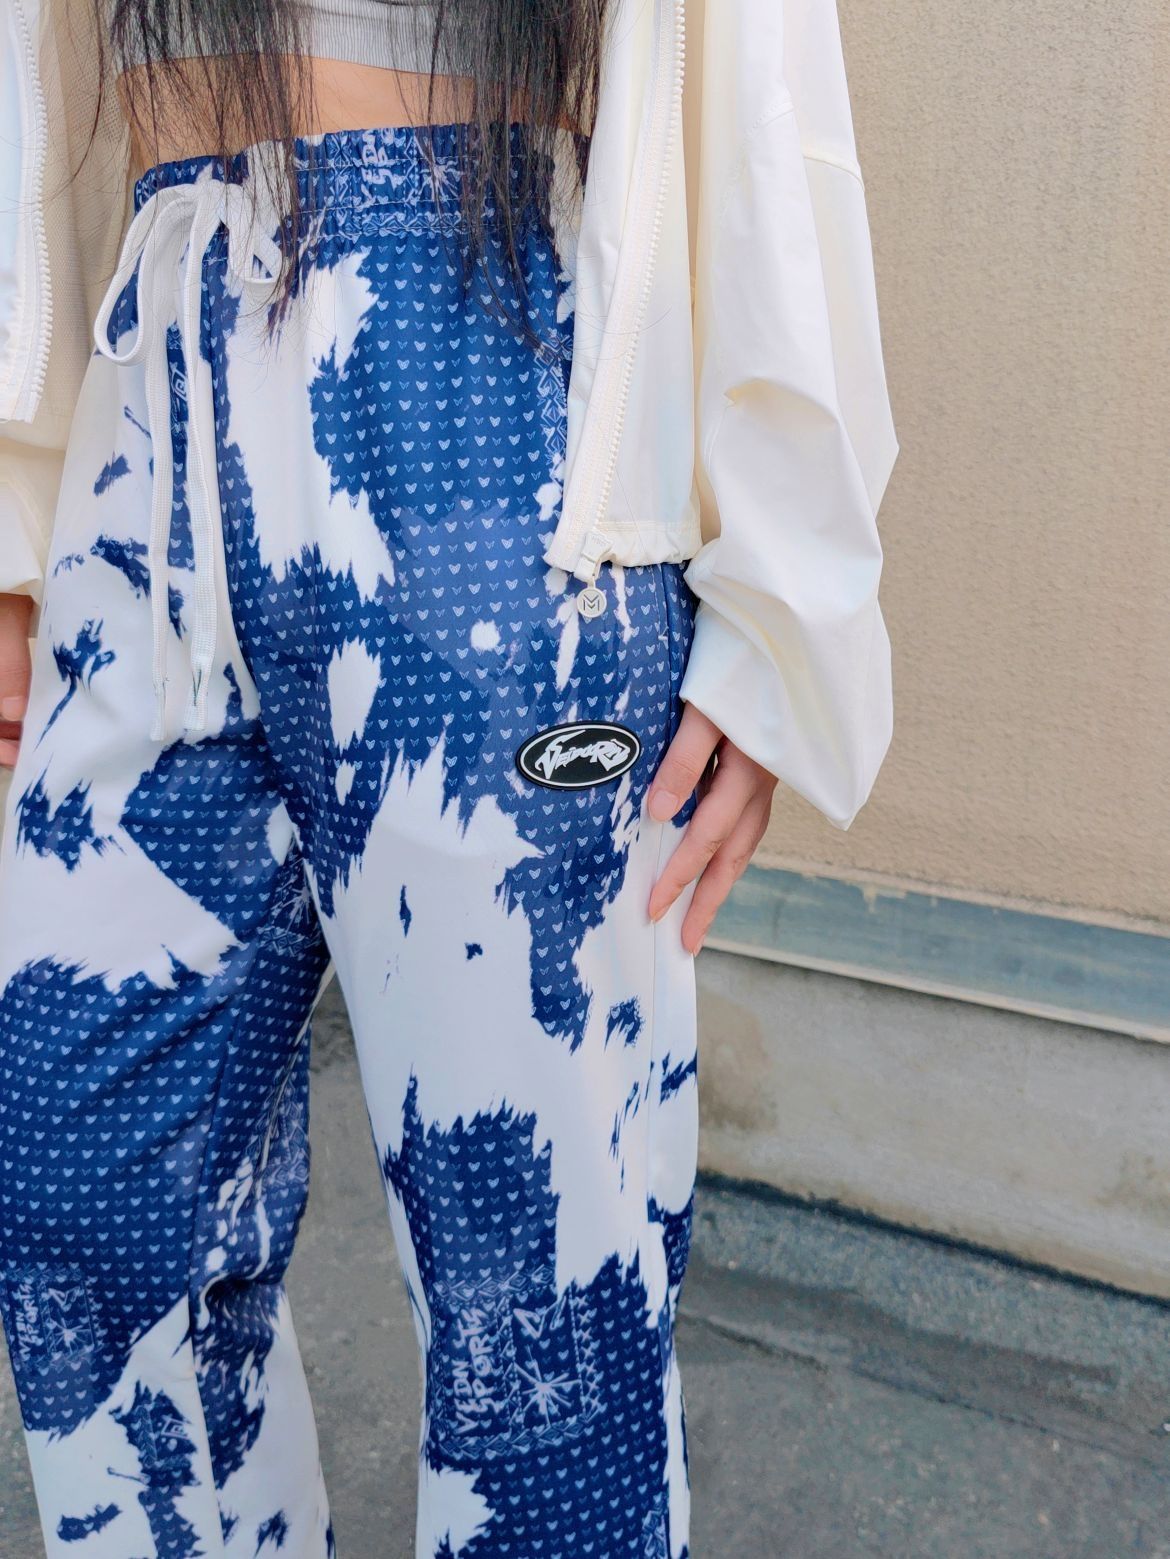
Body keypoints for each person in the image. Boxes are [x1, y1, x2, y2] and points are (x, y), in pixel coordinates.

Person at [0, 0, 898, 1553]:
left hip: (476, 386)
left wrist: (781, 594)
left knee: (531, 1291)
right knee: (83, 1206)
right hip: (153, 384)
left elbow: (759, 81)